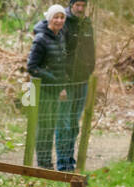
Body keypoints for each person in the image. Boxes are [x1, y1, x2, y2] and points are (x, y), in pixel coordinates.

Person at [27, 6, 69, 170]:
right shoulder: (40, 39)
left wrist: (61, 87)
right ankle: (43, 162)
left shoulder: (60, 37)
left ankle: (46, 161)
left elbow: (61, 65)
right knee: (43, 125)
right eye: (56, 17)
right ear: (49, 18)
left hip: (54, 89)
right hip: (41, 89)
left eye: (62, 17)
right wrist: (52, 80)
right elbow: (32, 67)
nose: (59, 20)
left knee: (51, 125)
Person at [57, 0, 95, 172]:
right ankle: (62, 164)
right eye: (77, 5)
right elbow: (58, 53)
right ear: (71, 5)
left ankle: (70, 162)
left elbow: (91, 50)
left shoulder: (87, 24)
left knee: (73, 124)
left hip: (82, 81)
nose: (80, 9)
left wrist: (89, 70)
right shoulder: (63, 22)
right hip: (66, 82)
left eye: (83, 6)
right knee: (63, 123)